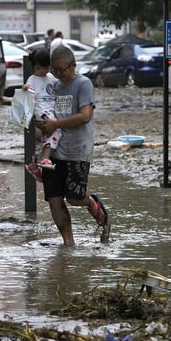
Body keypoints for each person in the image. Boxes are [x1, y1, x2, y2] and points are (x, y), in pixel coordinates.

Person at [38, 46, 111, 245]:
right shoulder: (53, 85)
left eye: (61, 69)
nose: (58, 74)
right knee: (54, 200)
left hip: (77, 151)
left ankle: (91, 202)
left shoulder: (83, 83)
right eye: (55, 70)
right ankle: (68, 245)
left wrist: (56, 124)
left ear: (73, 66)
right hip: (53, 151)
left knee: (74, 198)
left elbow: (85, 116)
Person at [23, 48, 63, 182]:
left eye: (45, 68)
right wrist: (25, 88)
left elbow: (60, 85)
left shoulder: (50, 77)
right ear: (33, 66)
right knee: (57, 129)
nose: (42, 71)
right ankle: (45, 158)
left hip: (50, 111)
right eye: (39, 68)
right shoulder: (32, 79)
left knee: (43, 140)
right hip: (41, 112)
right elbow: (27, 91)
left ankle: (34, 165)